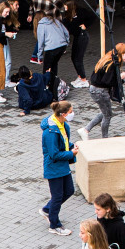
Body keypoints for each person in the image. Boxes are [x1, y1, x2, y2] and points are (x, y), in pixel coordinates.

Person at [41, 101, 80, 236]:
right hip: (54, 168)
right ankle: (55, 225)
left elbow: (63, 141)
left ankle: (47, 209)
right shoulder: (50, 132)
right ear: (63, 114)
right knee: (57, 196)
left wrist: (70, 146)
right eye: (70, 112)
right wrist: (71, 153)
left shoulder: (62, 125)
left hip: (62, 166)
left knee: (69, 190)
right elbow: (54, 154)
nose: (72, 114)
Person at [81, 43, 125, 140]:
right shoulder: (111, 64)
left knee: (105, 112)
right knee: (107, 115)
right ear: (121, 53)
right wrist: (120, 78)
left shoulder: (106, 60)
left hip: (95, 89)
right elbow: (108, 81)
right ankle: (104, 138)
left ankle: (86, 129)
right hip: (100, 91)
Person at [36, 3, 70, 96]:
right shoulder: (55, 20)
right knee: (54, 64)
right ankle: (54, 83)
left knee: (47, 68)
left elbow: (41, 42)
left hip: (51, 48)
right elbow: (66, 32)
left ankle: (47, 88)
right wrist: (66, 43)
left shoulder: (41, 24)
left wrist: (39, 56)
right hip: (61, 46)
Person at [64, 0, 92, 88]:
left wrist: (85, 25)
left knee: (78, 58)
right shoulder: (67, 17)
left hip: (82, 36)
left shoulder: (81, 12)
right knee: (74, 57)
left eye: (66, 7)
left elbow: (92, 17)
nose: (64, 8)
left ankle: (83, 79)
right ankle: (80, 76)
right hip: (77, 36)